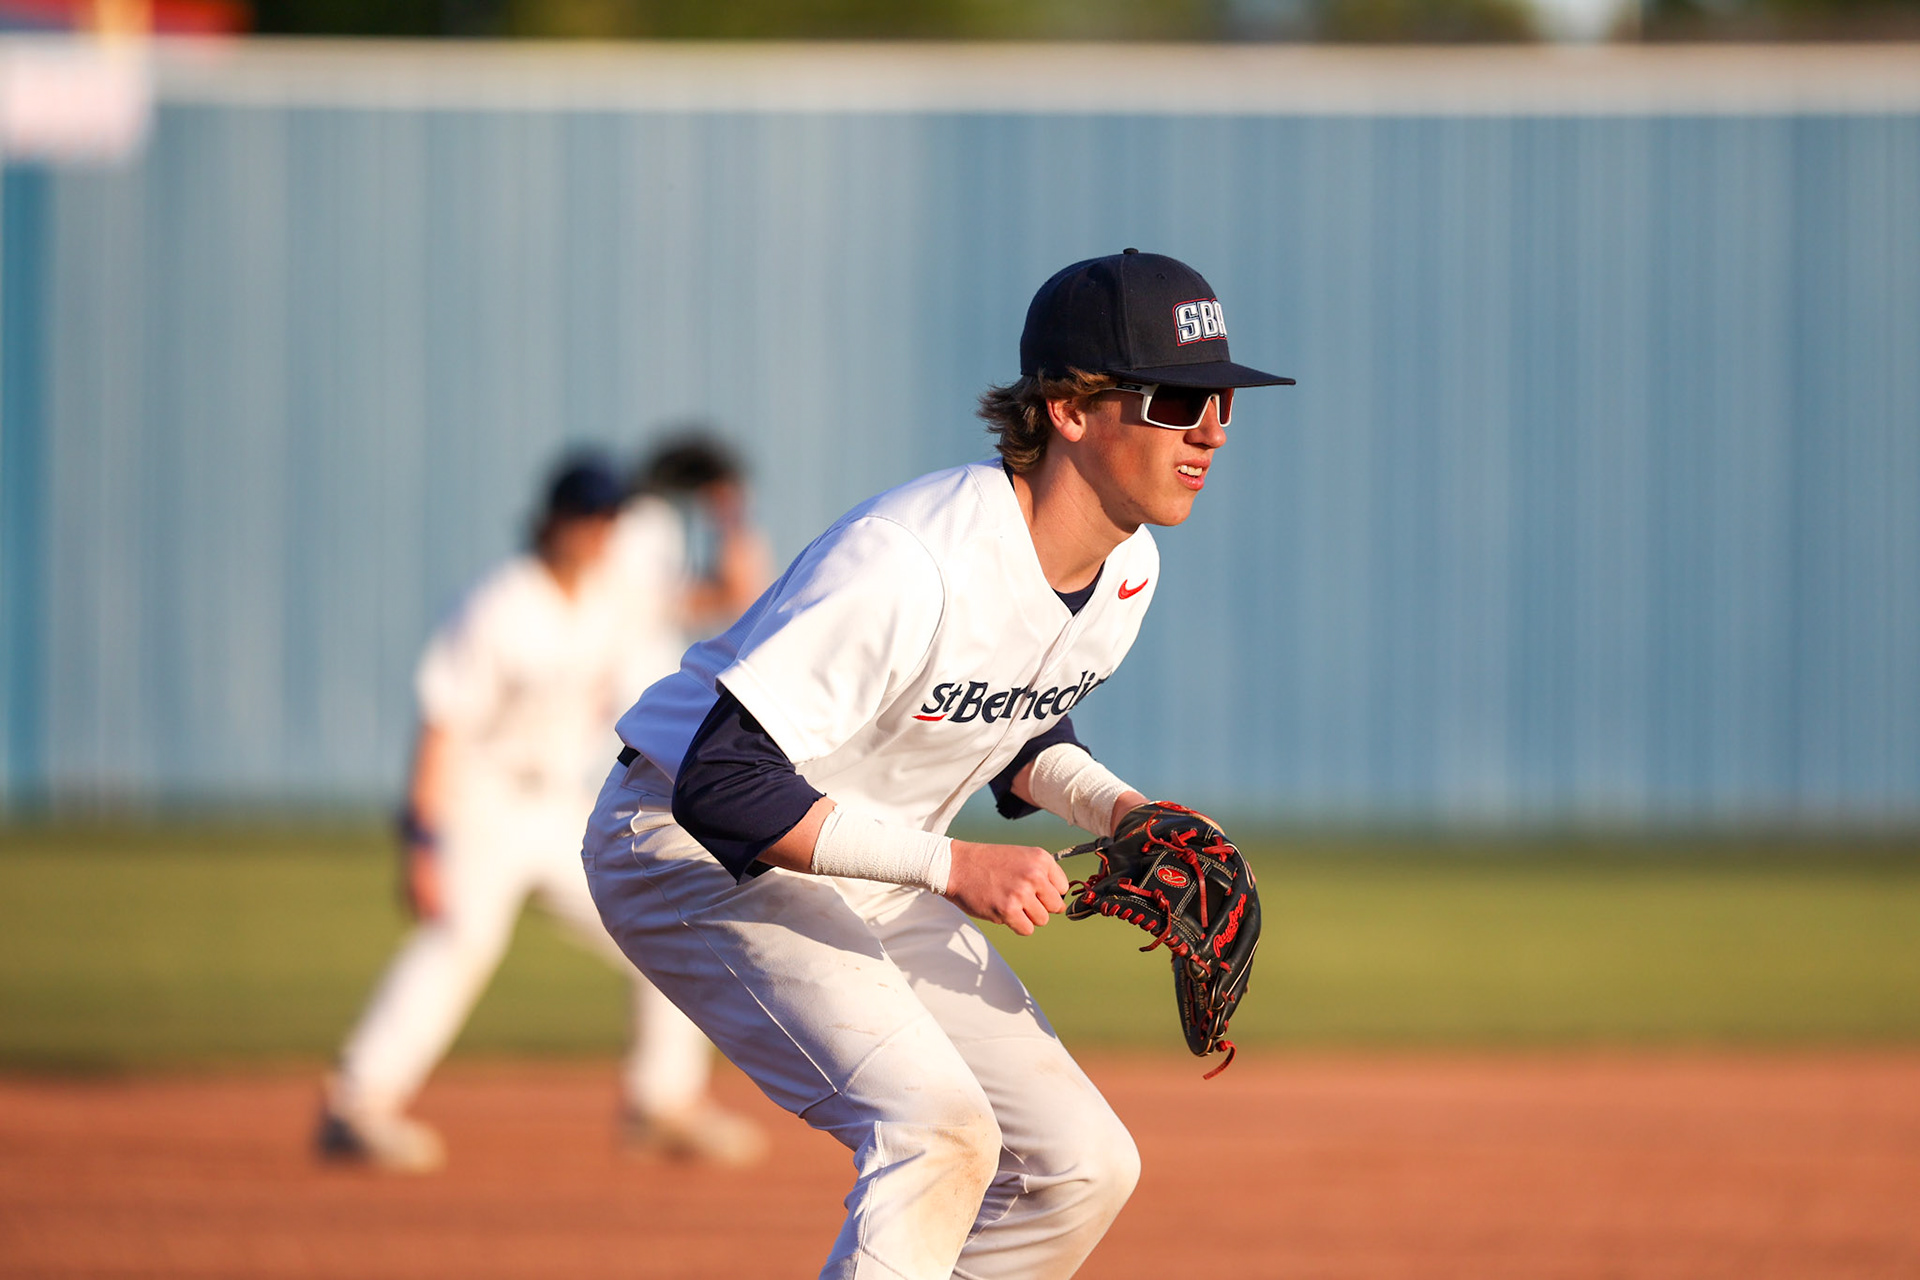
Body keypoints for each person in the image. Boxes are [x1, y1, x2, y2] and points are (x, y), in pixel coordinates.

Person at [581, 249, 1292, 1277]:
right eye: (1178, 398)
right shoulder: (911, 560)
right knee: (937, 1125)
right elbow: (722, 781)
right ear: (1071, 409)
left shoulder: (1128, 568)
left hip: (861, 857)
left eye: (1223, 398)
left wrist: (1120, 810)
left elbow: (1013, 731)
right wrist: (954, 866)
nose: (1214, 429)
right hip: (686, 847)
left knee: (1083, 1163)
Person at [317, 453, 768, 1173]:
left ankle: (661, 1105)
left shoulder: (615, 593)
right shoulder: (500, 605)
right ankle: (356, 1105)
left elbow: (731, 591)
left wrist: (729, 510)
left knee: (663, 924)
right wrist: (421, 840)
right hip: (481, 806)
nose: (598, 529)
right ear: (551, 519)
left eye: (609, 517)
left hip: (560, 808)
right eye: (588, 514)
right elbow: (441, 725)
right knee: (458, 943)